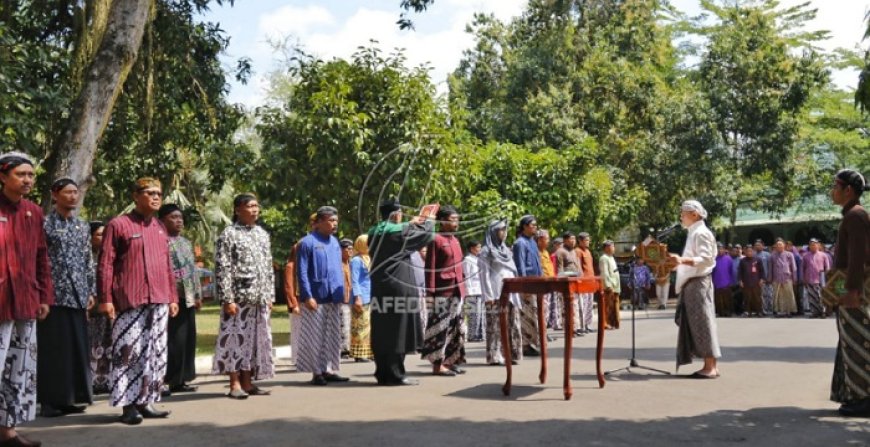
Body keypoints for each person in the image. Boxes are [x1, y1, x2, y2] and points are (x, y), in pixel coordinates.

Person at [98, 177, 178, 425]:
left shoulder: (159, 228)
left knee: (154, 353)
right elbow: (106, 264)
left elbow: (167, 266)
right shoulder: (118, 225)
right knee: (127, 353)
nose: (156, 197)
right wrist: (105, 299)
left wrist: (173, 297)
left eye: (159, 193)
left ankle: (146, 401)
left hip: (159, 300)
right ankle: (127, 405)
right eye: (150, 192)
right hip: (129, 300)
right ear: (135, 195)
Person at [0, 152, 53, 446]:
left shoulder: (33, 212)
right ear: (3, 176)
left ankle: (8, 432)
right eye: (21, 174)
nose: (28, 180)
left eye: (31, 175)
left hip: (25, 302)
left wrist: (44, 295)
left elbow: (41, 257)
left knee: (18, 370)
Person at [38, 178, 94, 418]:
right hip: (54, 296)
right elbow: (38, 260)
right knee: (54, 349)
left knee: (76, 349)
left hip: (78, 295)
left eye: (75, 192)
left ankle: (70, 397)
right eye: (68, 192)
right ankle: (50, 401)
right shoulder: (45, 224)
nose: (73, 196)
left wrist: (91, 291)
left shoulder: (82, 227)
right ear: (55, 195)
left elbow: (88, 261)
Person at [212, 194, 275, 399]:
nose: (255, 209)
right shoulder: (229, 234)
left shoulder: (262, 234)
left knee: (254, 342)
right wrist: (227, 298)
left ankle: (248, 382)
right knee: (234, 341)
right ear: (238, 210)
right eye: (250, 206)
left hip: (259, 297)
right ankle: (234, 383)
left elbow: (268, 267)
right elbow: (223, 268)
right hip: (238, 297)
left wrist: (270, 295)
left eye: (257, 205)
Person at [368, 199, 435, 386]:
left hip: (380, 286)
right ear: (397, 214)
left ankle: (383, 373)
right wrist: (428, 219)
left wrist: (410, 223)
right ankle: (396, 374)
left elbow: (403, 231)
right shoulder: (397, 232)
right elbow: (426, 236)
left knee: (382, 330)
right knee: (398, 330)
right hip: (398, 287)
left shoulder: (374, 232)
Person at [828, 169, 870, 417]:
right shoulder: (853, 215)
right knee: (849, 339)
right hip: (848, 285)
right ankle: (853, 394)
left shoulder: (856, 215)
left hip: (856, 289)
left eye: (836, 186)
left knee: (858, 342)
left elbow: (857, 258)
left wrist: (852, 290)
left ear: (848, 191)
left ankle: (863, 398)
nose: (832, 191)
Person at [296, 206, 348, 386]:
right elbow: (301, 272)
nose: (334, 224)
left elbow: (338, 269)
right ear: (318, 223)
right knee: (315, 337)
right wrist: (307, 295)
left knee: (331, 336)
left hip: (333, 297)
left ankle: (328, 369)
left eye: (336, 221)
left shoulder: (334, 242)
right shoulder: (306, 243)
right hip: (315, 298)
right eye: (331, 221)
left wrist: (342, 292)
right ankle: (316, 372)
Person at [669, 200, 721, 378]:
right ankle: (710, 365)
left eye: (683, 213)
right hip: (692, 283)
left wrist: (682, 261)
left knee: (703, 323)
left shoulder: (701, 233)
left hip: (699, 283)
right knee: (698, 324)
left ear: (694, 214)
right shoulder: (694, 233)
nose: (681, 216)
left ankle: (710, 366)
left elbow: (706, 259)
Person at [159, 204, 202, 395]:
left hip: (188, 298)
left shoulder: (185, 242)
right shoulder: (160, 241)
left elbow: (193, 271)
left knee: (186, 339)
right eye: (173, 217)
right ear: (162, 220)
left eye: (180, 218)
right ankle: (165, 379)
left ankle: (181, 379)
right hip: (169, 299)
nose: (179, 221)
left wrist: (198, 295)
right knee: (171, 340)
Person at [422, 206, 468, 376]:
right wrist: (430, 293)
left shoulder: (455, 240)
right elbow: (430, 269)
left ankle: (451, 360)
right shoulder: (436, 240)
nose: (456, 223)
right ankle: (438, 365)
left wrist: (464, 289)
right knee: (440, 329)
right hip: (442, 291)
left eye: (457, 219)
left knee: (457, 328)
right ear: (442, 222)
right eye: (452, 220)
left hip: (457, 290)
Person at [478, 220, 522, 366]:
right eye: (500, 230)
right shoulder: (486, 251)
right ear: (493, 232)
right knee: (495, 325)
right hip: (496, 292)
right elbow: (484, 275)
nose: (503, 233)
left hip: (511, 292)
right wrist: (488, 296)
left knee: (512, 323)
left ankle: (510, 354)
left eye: (505, 230)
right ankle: (494, 356)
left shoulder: (506, 250)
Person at [87, 220, 113, 396]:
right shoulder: (85, 257)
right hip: (91, 308)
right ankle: (90, 381)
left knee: (107, 343)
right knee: (91, 344)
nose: (103, 239)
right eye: (99, 235)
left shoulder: (109, 255)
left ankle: (106, 380)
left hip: (108, 307)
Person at [512, 215, 542, 356]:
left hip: (536, 282)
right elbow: (520, 266)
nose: (535, 227)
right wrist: (523, 286)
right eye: (532, 225)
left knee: (535, 314)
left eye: (536, 225)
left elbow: (538, 263)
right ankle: (525, 345)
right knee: (526, 315)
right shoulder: (520, 243)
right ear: (524, 226)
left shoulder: (533, 242)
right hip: (527, 284)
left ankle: (533, 343)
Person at [349, 235, 373, 362]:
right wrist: (357, 297)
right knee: (360, 326)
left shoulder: (369, 258)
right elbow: (354, 280)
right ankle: (359, 354)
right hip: (361, 297)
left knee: (369, 326)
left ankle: (368, 352)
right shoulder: (356, 260)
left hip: (370, 296)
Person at [555, 232, 582, 334]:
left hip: (575, 283)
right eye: (571, 239)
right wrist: (572, 273)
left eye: (574, 239)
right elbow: (560, 272)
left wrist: (579, 276)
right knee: (566, 308)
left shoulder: (574, 251)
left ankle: (574, 328)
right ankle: (568, 329)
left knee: (575, 307)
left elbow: (578, 267)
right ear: (565, 240)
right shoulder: (560, 252)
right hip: (565, 285)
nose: (573, 241)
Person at [802, 238, 831, 319]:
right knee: (811, 297)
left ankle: (823, 312)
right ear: (809, 246)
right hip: (809, 279)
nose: (813, 246)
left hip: (820, 279)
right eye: (811, 245)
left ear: (818, 245)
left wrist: (827, 278)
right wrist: (803, 279)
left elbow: (827, 268)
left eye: (815, 244)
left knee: (821, 296)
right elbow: (803, 268)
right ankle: (814, 312)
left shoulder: (824, 255)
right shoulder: (805, 256)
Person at [463, 241, 485, 343]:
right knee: (473, 314)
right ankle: (472, 335)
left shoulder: (479, 259)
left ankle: (480, 334)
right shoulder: (467, 260)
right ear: (472, 249)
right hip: (472, 291)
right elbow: (467, 276)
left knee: (480, 314)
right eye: (478, 247)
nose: (480, 249)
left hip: (480, 290)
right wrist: (469, 290)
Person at [770, 238, 798, 317]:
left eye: (780, 244)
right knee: (778, 295)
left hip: (787, 277)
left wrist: (795, 278)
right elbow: (770, 268)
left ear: (784, 245)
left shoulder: (789, 254)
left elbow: (794, 267)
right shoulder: (772, 255)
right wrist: (770, 278)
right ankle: (779, 311)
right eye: (777, 245)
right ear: (775, 246)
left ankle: (789, 311)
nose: (779, 246)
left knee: (789, 294)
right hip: (776, 278)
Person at [575, 233, 597, 333]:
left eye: (588, 240)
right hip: (583, 282)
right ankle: (581, 326)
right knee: (582, 305)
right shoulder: (578, 251)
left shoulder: (588, 251)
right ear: (580, 241)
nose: (588, 242)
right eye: (586, 240)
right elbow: (578, 267)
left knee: (589, 304)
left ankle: (588, 324)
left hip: (590, 281)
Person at [738, 246, 766, 317]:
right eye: (748, 251)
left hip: (756, 282)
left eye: (751, 251)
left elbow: (762, 271)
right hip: (746, 282)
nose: (749, 252)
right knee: (747, 298)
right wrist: (740, 280)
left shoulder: (758, 259)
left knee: (757, 298)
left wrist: (762, 279)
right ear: (745, 252)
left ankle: (759, 311)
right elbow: (740, 272)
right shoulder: (742, 260)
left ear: (753, 252)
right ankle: (747, 311)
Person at [599, 241, 621, 330]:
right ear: (606, 248)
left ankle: (614, 323)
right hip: (610, 285)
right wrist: (608, 285)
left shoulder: (611, 257)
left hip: (615, 285)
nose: (614, 248)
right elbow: (604, 273)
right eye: (612, 246)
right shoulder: (604, 258)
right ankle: (606, 323)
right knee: (608, 306)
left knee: (615, 305)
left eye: (613, 246)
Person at [340, 238, 354, 359]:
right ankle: (343, 349)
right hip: (341, 298)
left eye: (351, 248)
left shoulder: (350, 263)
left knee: (348, 323)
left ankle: (348, 347)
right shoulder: (338, 263)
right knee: (342, 323)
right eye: (348, 249)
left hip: (350, 298)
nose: (351, 251)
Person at [712, 243, 735, 317]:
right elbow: (712, 272)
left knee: (727, 299)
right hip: (717, 282)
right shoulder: (714, 259)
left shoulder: (729, 259)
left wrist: (731, 281)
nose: (720, 250)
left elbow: (731, 271)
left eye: (721, 249)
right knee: (718, 300)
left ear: (725, 250)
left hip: (727, 282)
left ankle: (728, 312)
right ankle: (720, 312)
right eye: (718, 249)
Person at [754, 239, 773, 315]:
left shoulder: (767, 255)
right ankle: (762, 310)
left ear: (763, 246)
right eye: (756, 245)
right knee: (760, 296)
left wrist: (769, 277)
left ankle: (770, 310)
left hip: (767, 279)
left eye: (759, 245)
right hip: (757, 280)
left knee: (769, 295)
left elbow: (770, 267)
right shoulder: (754, 255)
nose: (757, 246)